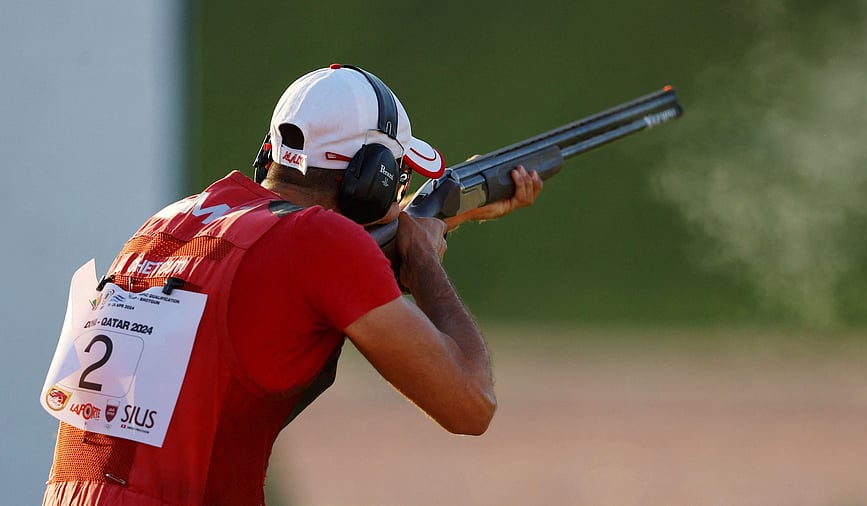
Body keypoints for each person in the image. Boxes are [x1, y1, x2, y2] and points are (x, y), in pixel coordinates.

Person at [40, 63, 542, 505]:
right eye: (398, 180)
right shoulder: (319, 243)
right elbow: (470, 403)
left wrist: (437, 222)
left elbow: (273, 302)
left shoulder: (170, 225)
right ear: (375, 178)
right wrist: (424, 260)